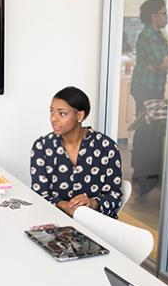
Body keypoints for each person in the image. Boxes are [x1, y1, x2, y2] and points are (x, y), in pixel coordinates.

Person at [30, 86, 123, 218]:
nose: (53, 118)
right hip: (55, 221)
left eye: (62, 113)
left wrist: (92, 203)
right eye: (52, 112)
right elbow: (39, 195)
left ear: (80, 115)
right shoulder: (42, 147)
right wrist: (64, 206)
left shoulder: (106, 147)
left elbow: (115, 196)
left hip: (97, 224)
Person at [130, 0, 168, 196]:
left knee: (146, 128)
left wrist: (160, 63)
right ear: (154, 16)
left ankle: (142, 173)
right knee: (146, 128)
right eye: (163, 13)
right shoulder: (148, 36)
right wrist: (161, 63)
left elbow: (163, 61)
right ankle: (143, 174)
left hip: (153, 86)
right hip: (145, 88)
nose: (167, 17)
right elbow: (163, 61)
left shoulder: (158, 35)